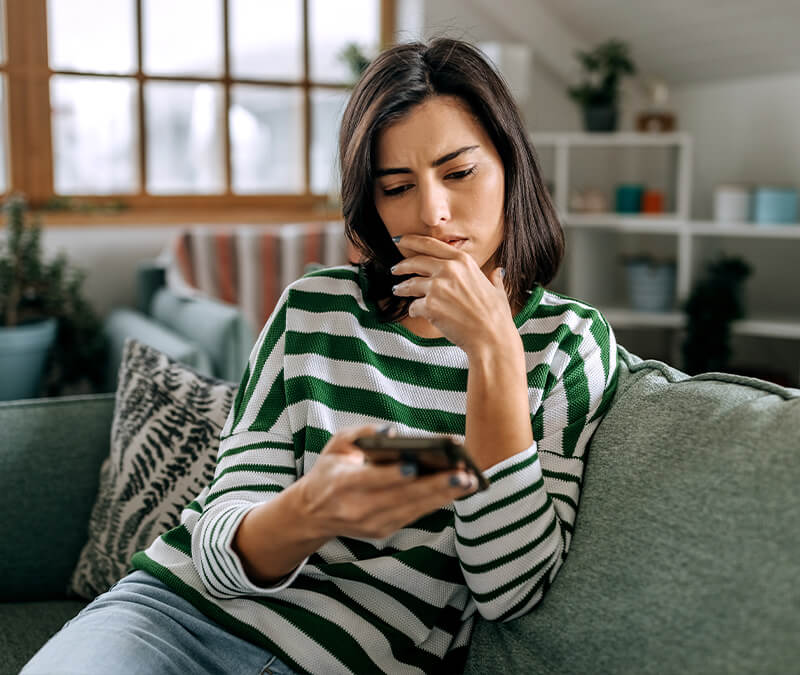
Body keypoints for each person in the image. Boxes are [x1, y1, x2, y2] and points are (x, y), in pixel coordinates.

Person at [23, 37, 618, 675]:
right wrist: (312, 510)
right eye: (397, 187)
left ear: (511, 166)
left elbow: (510, 592)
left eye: (459, 172)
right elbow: (219, 549)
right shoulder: (314, 308)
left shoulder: (566, 344)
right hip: (170, 619)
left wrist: (496, 349)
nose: (433, 213)